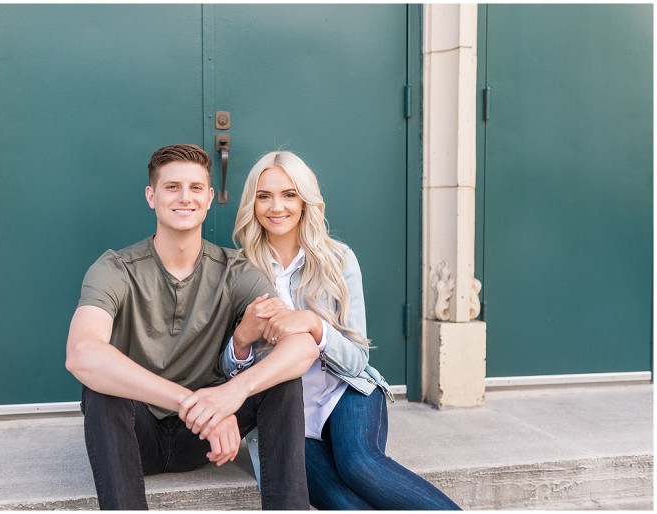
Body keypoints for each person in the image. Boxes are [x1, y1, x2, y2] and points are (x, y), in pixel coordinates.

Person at [65, 144, 317, 510]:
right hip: (138, 434)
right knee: (101, 389)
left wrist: (231, 395)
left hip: (202, 437)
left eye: (196, 188)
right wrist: (189, 402)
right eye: (172, 187)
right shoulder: (115, 269)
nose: (185, 198)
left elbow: (303, 347)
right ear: (151, 196)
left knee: (282, 382)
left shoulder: (236, 272)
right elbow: (81, 353)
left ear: (210, 197)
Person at [223, 150, 461, 510]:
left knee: (360, 466)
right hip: (284, 414)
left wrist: (315, 326)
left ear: (305, 201)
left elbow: (356, 360)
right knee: (341, 500)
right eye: (264, 195)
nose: (277, 206)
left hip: (344, 393)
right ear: (251, 203)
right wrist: (241, 339)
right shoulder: (235, 270)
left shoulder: (338, 260)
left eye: (289, 194)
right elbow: (229, 376)